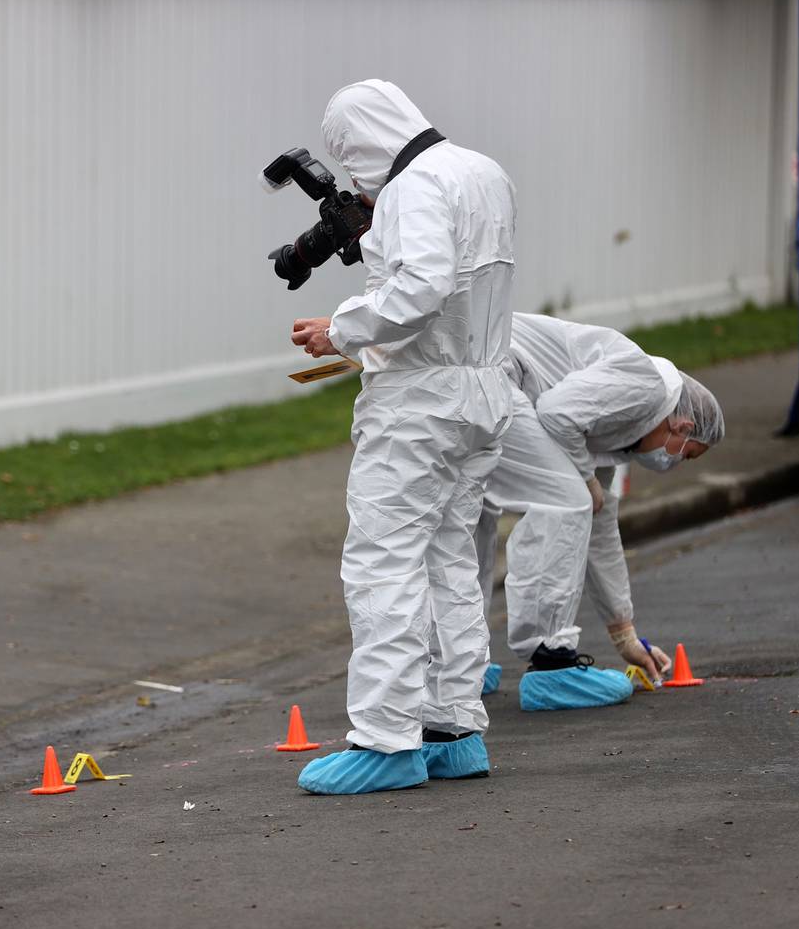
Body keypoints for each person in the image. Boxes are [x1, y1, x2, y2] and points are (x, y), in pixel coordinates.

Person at [289, 80, 516, 793]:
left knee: (384, 563)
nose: (353, 179)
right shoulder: (482, 171)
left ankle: (386, 741)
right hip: (482, 390)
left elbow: (420, 288)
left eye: (348, 160)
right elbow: (451, 287)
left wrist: (340, 331)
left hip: (420, 403)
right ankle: (453, 729)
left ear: (358, 143)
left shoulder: (414, 187)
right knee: (450, 559)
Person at [475, 313, 726, 711]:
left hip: (475, 368)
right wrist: (584, 478)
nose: (677, 463)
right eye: (688, 454)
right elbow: (556, 413)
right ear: (682, 426)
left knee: (475, 515)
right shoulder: (645, 387)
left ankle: (458, 665)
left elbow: (601, 529)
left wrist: (624, 634)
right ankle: (551, 663)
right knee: (566, 499)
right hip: (495, 374)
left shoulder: (619, 429)